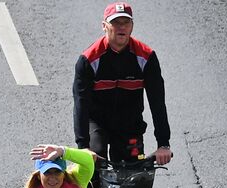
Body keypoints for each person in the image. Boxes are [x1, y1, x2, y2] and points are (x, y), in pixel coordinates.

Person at [73, 3, 172, 172]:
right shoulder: (88, 60)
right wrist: (83, 146)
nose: (122, 27)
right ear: (104, 26)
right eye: (116, 23)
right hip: (97, 123)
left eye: (126, 22)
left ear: (132, 26)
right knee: (92, 168)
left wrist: (163, 144)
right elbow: (80, 104)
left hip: (129, 125)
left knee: (134, 177)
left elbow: (157, 102)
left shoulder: (146, 57)